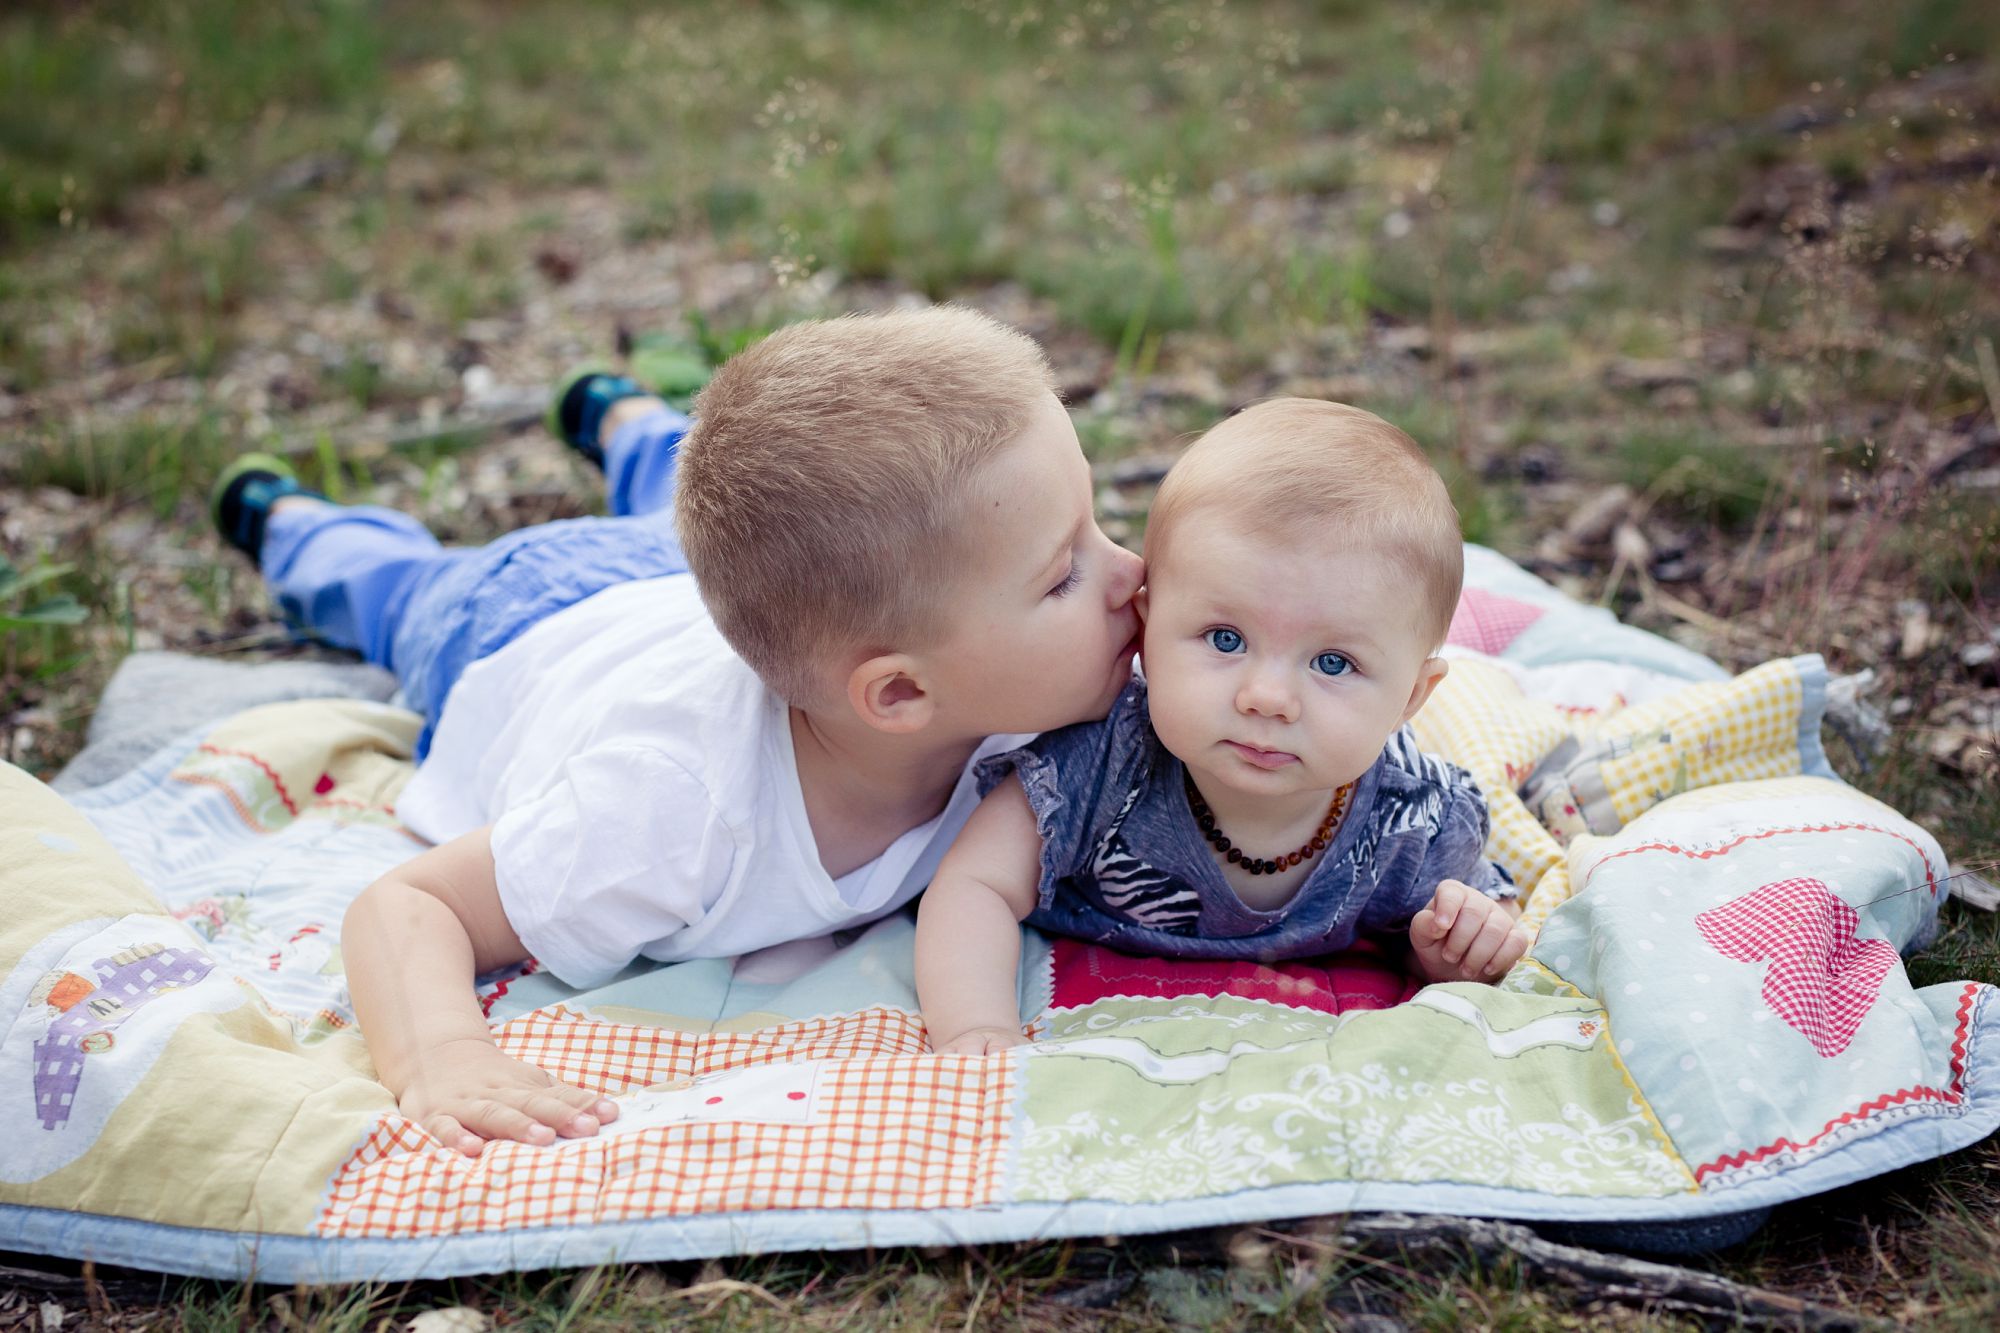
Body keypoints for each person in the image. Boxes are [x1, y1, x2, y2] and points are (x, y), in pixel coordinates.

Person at [208, 307, 1145, 1154]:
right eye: (1065, 572)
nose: (1130, 572)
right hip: (517, 621)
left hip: (678, 587)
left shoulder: (1005, 689)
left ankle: (623, 419)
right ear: (897, 695)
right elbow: (411, 906)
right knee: (394, 591)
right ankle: (292, 524)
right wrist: (445, 1056)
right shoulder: (669, 810)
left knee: (697, 513)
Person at [915, 399, 1530, 1055]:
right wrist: (977, 1027)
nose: (1267, 697)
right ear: (1148, 632)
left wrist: (1452, 950)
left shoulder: (1413, 821)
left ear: (1411, 695)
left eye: (1332, 662)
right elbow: (974, 885)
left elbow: (1469, 926)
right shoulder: (1093, 765)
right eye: (1226, 638)